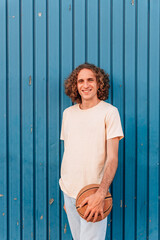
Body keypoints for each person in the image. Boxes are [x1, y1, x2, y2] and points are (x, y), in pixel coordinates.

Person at [59, 63, 124, 240]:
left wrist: (101, 193)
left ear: (99, 83)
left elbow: (112, 159)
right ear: (75, 85)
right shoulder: (68, 114)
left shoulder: (109, 113)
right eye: (80, 81)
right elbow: (70, 153)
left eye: (90, 80)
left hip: (93, 193)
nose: (85, 85)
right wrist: (69, 197)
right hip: (70, 193)